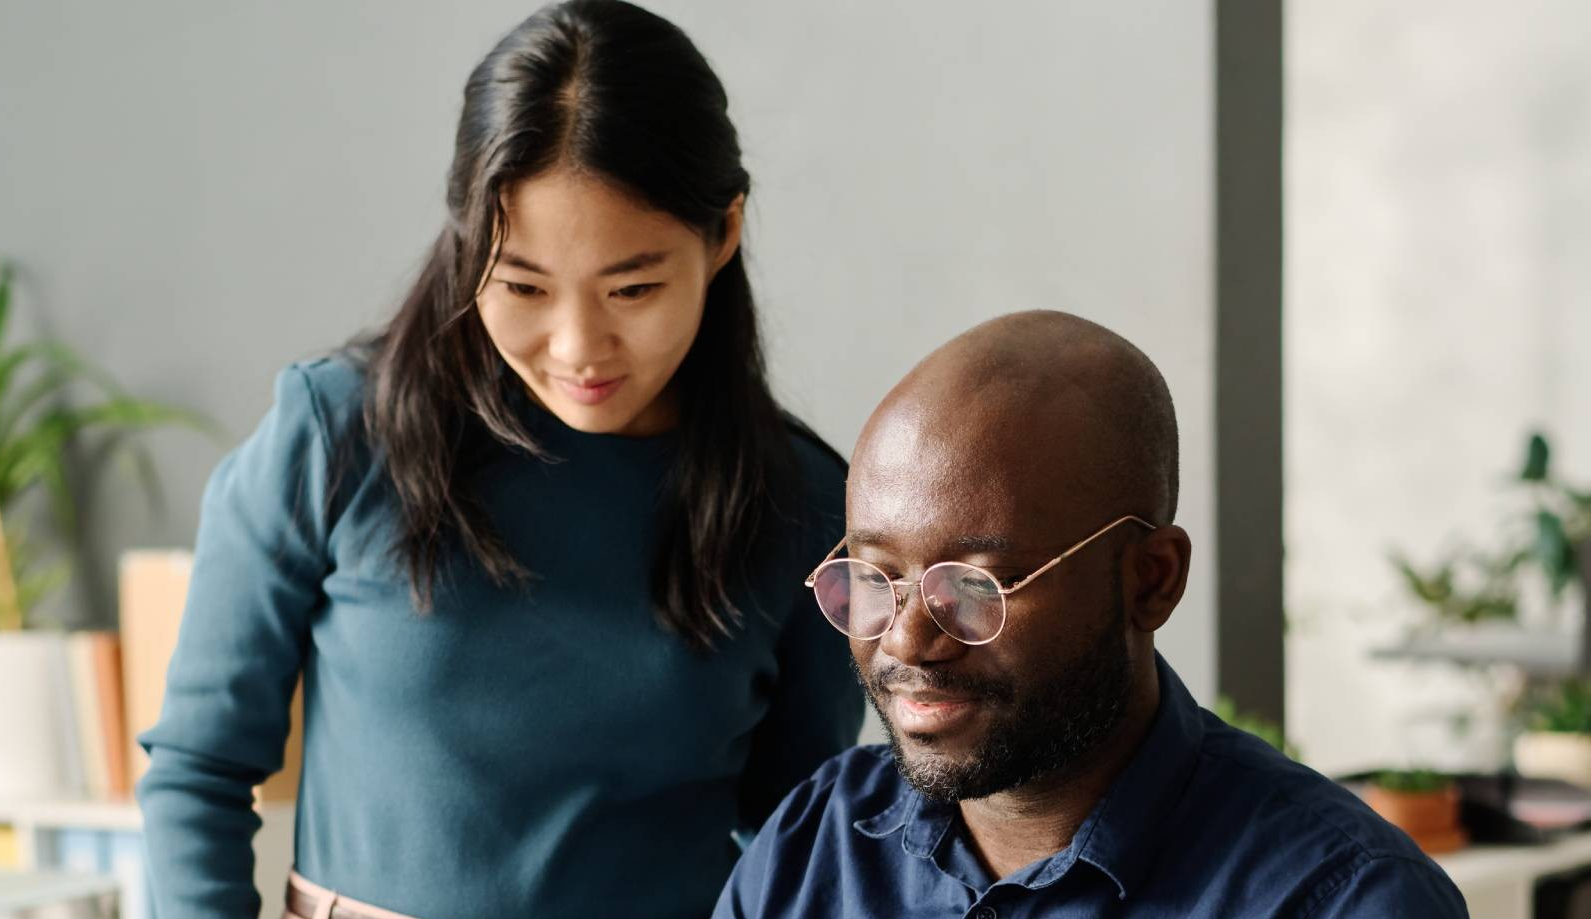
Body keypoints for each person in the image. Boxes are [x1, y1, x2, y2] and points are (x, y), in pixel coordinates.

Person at [137, 3, 862, 917]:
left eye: (633, 288)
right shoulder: (337, 434)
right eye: (521, 284)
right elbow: (198, 768)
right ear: (466, 240)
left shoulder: (799, 503)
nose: (578, 347)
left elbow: (799, 847)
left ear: (723, 234)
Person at [713, 311, 1468, 918]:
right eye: (877, 575)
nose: (908, 640)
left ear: (1151, 580)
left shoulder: (1344, 897)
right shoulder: (814, 847)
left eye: (979, 586)